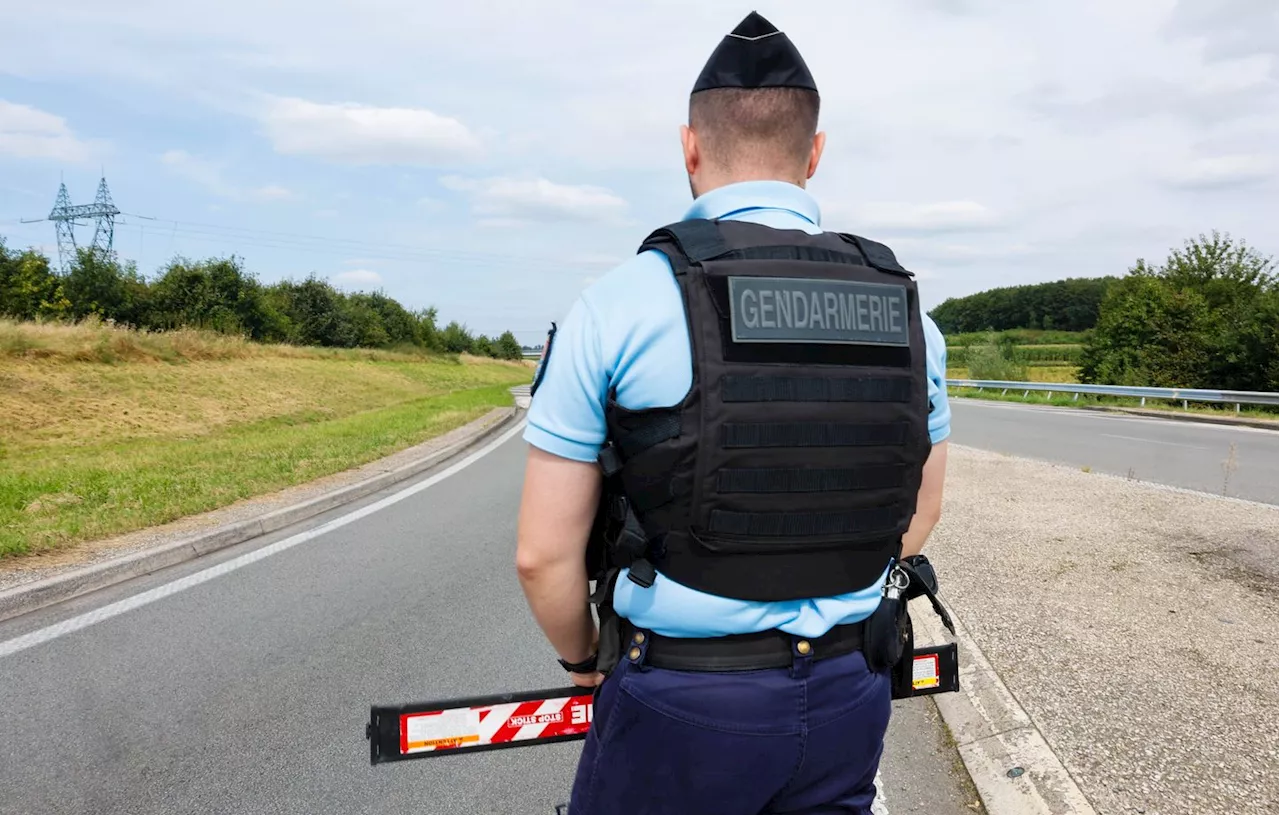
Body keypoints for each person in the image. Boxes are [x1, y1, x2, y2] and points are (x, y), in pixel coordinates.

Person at [515, 11, 951, 814]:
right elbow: (917, 512)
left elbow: (544, 555)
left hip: (683, 702)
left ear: (689, 148)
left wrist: (586, 659)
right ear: (814, 153)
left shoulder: (618, 304)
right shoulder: (910, 315)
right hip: (851, 696)